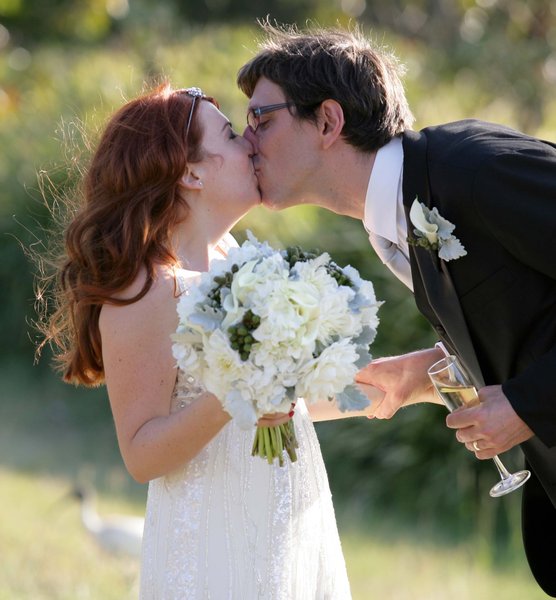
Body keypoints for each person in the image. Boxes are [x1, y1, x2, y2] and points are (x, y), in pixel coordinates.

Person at [238, 23, 556, 597]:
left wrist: (526, 402)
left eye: (262, 118)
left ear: (328, 122)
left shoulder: (473, 169)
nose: (246, 138)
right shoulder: (396, 217)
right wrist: (425, 373)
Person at [37, 81, 386, 599]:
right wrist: (237, 390)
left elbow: (286, 399)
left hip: (282, 521)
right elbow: (141, 454)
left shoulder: (235, 258)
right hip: (210, 545)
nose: (250, 142)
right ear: (191, 171)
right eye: (229, 135)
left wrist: (406, 381)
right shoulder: (146, 288)